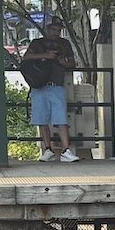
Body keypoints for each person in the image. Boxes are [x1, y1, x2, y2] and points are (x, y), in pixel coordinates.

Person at [21, 15, 79, 163]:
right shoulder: (37, 43)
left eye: (58, 30)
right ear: (47, 29)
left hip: (56, 84)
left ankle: (65, 150)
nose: (56, 33)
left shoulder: (64, 44)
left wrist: (62, 62)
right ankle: (48, 150)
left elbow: (73, 63)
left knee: (61, 119)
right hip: (39, 84)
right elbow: (26, 57)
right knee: (42, 120)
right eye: (53, 29)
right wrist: (46, 55)